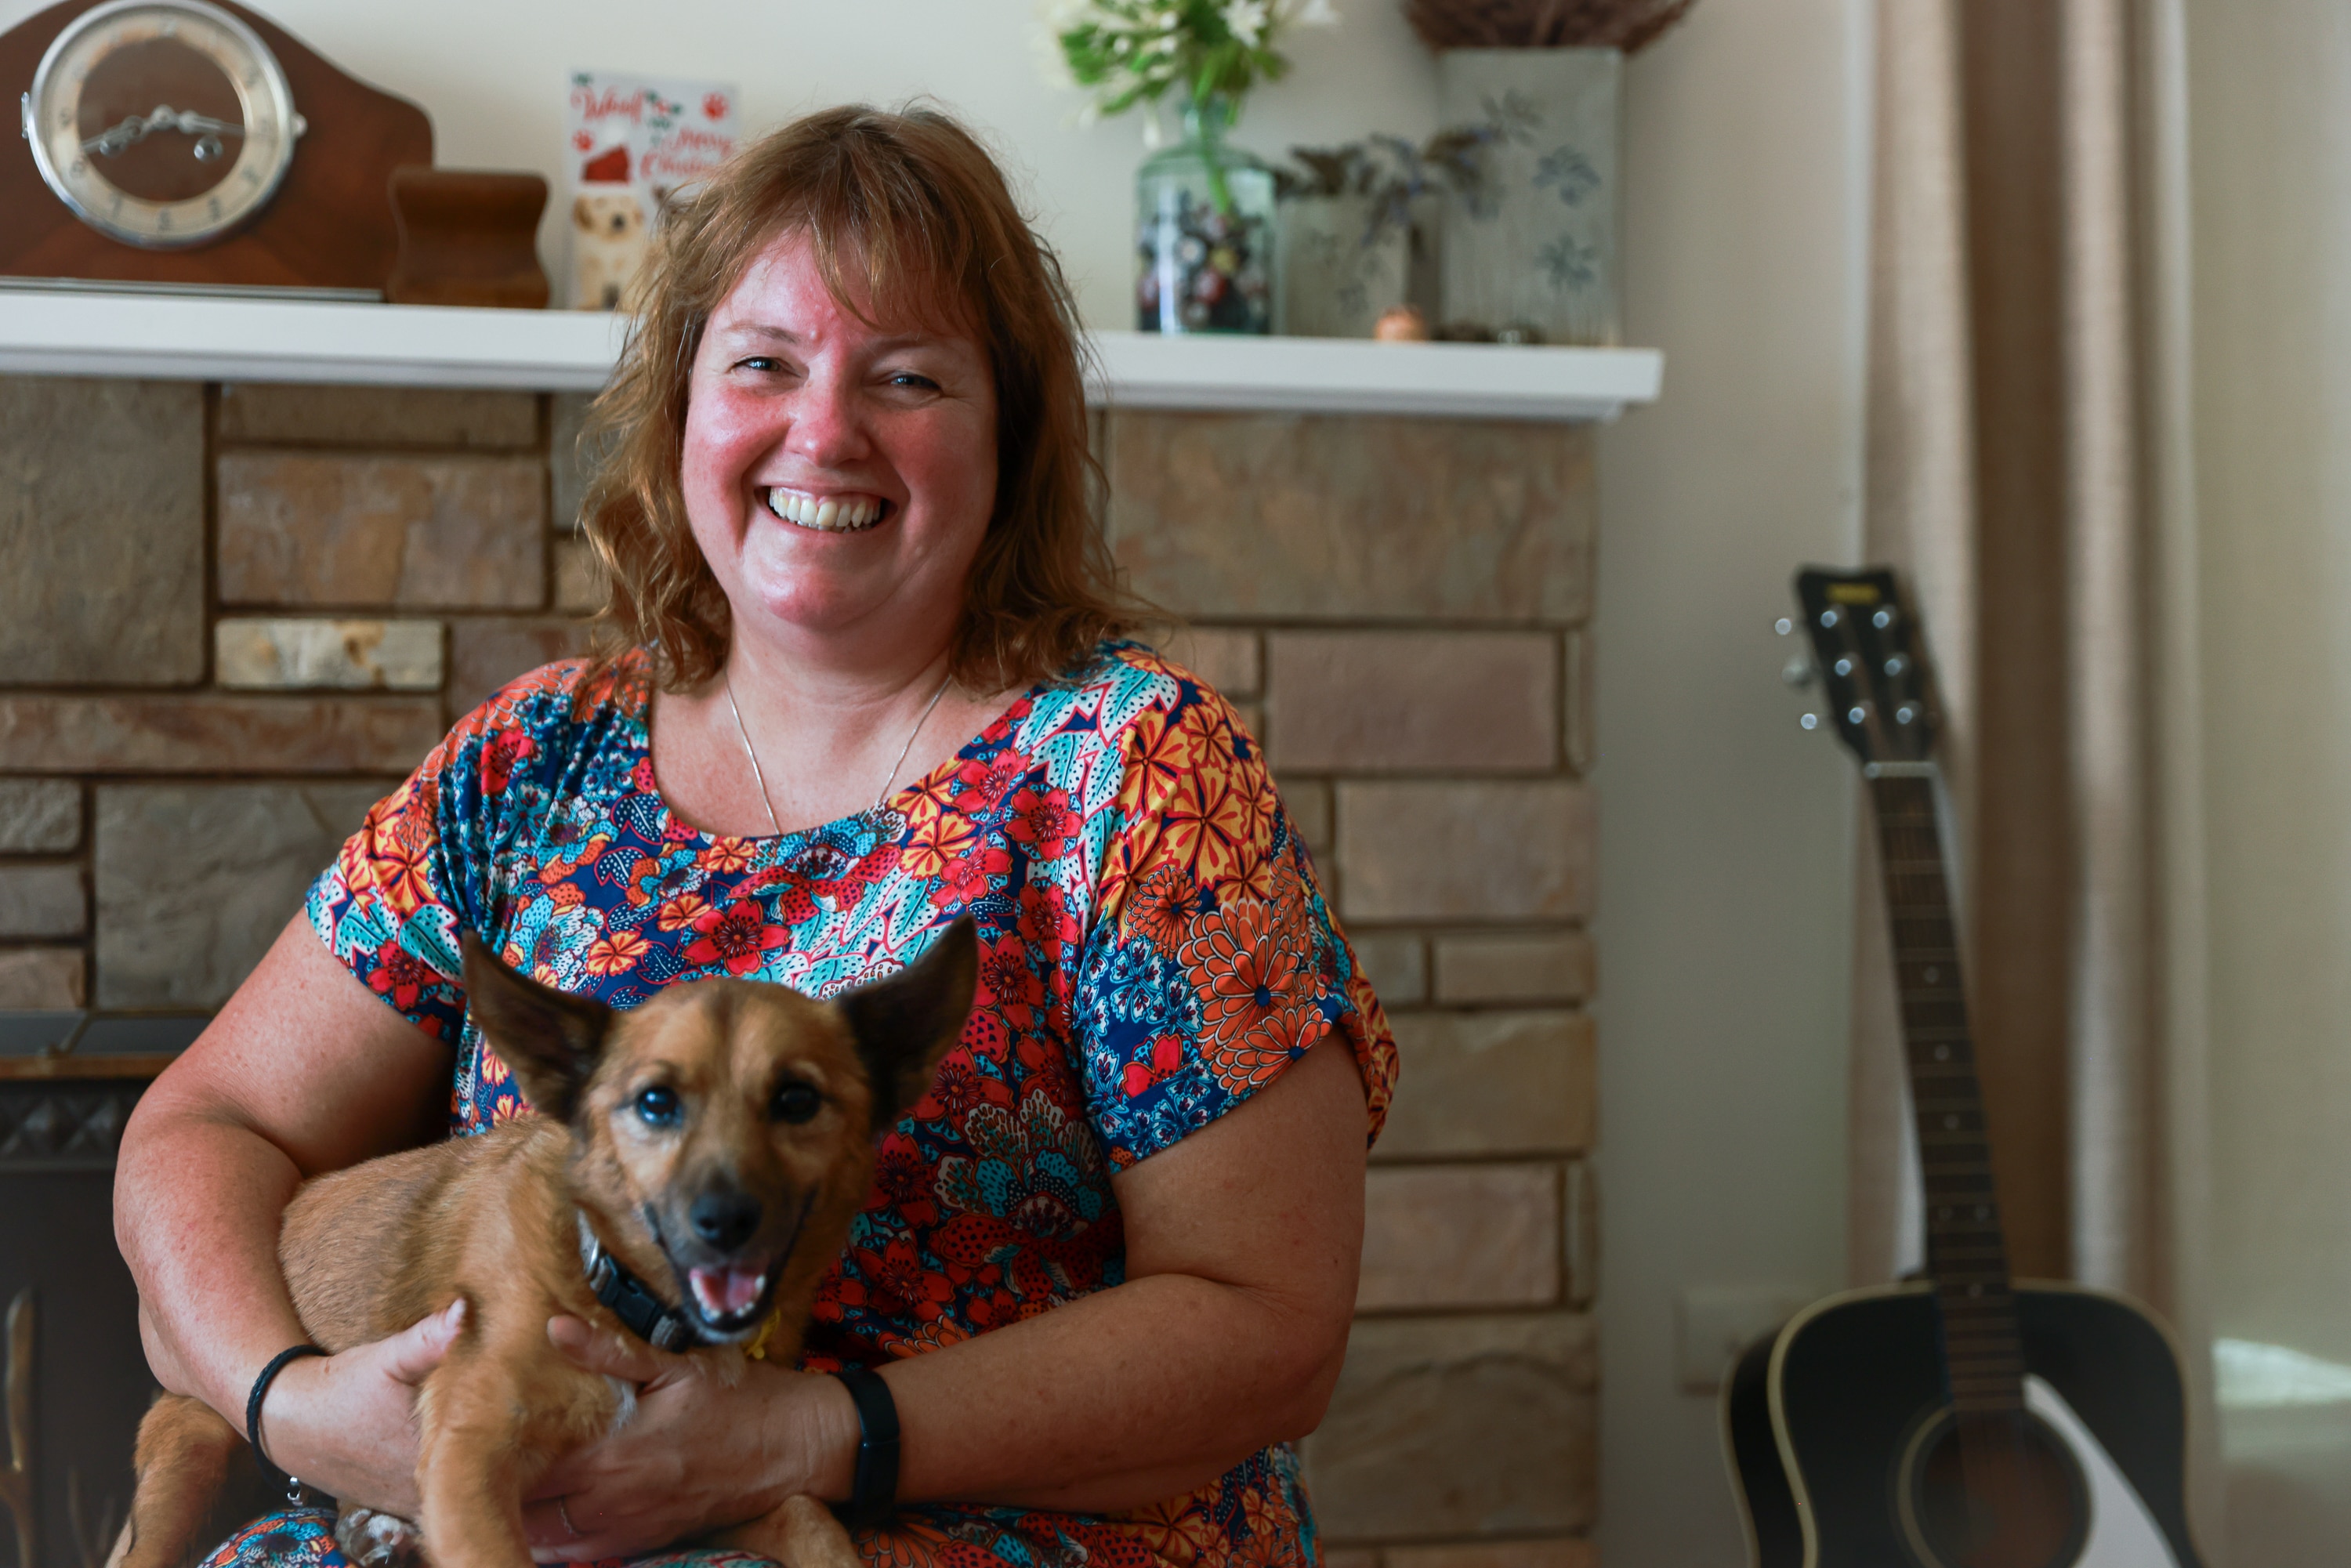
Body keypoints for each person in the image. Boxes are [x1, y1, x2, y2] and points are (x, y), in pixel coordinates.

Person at [115, 105, 1397, 1568]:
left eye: (907, 376)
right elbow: (205, 1131)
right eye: (764, 365)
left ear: (1012, 435)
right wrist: (295, 1404)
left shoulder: (1135, 771)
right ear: (682, 413)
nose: (826, 430)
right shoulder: (532, 758)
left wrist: (806, 1431)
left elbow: (1268, 1326)